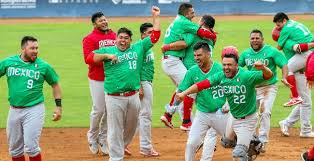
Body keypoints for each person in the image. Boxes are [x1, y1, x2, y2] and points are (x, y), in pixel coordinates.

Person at [86, 6, 161, 161]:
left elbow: (155, 36)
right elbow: (89, 58)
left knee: (132, 127)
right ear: (116, 39)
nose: (123, 40)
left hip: (133, 96)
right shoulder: (108, 50)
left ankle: (121, 146)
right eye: (120, 37)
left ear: (130, 40)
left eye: (126, 38)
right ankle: (116, 157)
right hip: (114, 97)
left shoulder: (138, 48)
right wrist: (106, 55)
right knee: (114, 129)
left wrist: (156, 16)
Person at [176, 46, 273, 161]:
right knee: (226, 142)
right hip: (232, 117)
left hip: (247, 120)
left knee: (238, 154)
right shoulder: (221, 76)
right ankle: (253, 141)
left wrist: (263, 68)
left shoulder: (246, 76)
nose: (226, 68)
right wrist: (184, 93)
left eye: (229, 65)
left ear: (237, 65)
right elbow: (201, 85)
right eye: (224, 65)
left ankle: (247, 145)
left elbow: (268, 75)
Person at [0, 36, 62, 161]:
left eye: (37, 48)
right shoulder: (8, 62)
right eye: (32, 48)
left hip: (34, 109)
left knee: (31, 147)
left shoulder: (43, 66)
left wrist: (58, 106)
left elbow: (55, 84)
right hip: (14, 110)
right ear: (23, 48)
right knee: (15, 149)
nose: (35, 51)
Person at [160, 3, 217, 129]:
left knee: (183, 89)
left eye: (199, 18)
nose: (195, 16)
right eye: (192, 12)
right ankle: (185, 121)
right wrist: (213, 35)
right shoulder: (211, 39)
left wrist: (167, 46)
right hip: (178, 63)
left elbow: (185, 43)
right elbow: (209, 36)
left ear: (202, 22)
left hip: (177, 62)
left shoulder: (193, 31)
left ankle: (172, 116)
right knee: (187, 89)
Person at [238, 29, 288, 152]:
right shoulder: (245, 54)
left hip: (268, 87)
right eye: (252, 38)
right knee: (249, 115)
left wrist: (285, 77)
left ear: (262, 39)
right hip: (251, 89)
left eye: (257, 38)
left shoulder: (271, 51)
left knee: (265, 112)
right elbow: (237, 67)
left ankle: (263, 141)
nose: (254, 40)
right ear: (249, 40)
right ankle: (248, 140)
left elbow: (284, 63)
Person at [178, 41, 228, 161]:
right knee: (191, 143)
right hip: (203, 114)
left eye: (199, 55)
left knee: (233, 141)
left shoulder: (220, 69)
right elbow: (181, 90)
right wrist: (169, 111)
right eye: (194, 55)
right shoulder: (192, 72)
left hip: (221, 114)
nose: (196, 58)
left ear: (208, 54)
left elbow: (231, 87)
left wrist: (229, 103)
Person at [82, 11, 116, 155]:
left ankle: (103, 138)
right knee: (99, 110)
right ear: (94, 23)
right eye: (101, 21)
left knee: (110, 111)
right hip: (97, 78)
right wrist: (106, 56)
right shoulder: (89, 39)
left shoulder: (114, 36)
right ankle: (92, 135)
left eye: (105, 19)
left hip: (113, 78)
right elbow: (88, 59)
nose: (104, 22)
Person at [272, 27, 314, 138]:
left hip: (301, 72)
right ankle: (305, 130)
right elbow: (299, 47)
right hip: (298, 73)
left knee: (304, 102)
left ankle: (286, 123)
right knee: (306, 103)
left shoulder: (288, 40)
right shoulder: (288, 42)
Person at [273, 12, 313, 107]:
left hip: (307, 52)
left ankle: (295, 97)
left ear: (284, 20)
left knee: (287, 69)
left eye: (279, 25)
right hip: (309, 51)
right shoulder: (295, 23)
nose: (278, 28)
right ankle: (287, 121)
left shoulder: (286, 30)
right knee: (305, 101)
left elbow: (278, 48)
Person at [138, 22, 160, 157]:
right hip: (143, 83)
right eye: (149, 33)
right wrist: (139, 86)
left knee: (135, 116)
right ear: (142, 35)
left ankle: (124, 144)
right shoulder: (142, 47)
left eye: (153, 32)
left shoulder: (147, 47)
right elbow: (134, 68)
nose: (152, 35)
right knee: (146, 115)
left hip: (146, 82)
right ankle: (146, 147)